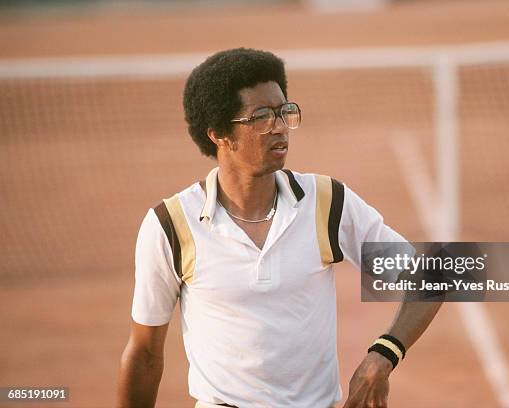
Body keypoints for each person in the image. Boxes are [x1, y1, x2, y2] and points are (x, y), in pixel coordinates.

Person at [117, 48, 441, 408]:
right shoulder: (171, 226)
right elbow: (145, 354)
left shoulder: (326, 202)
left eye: (283, 111)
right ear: (219, 134)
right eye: (260, 117)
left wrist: (383, 355)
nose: (279, 126)